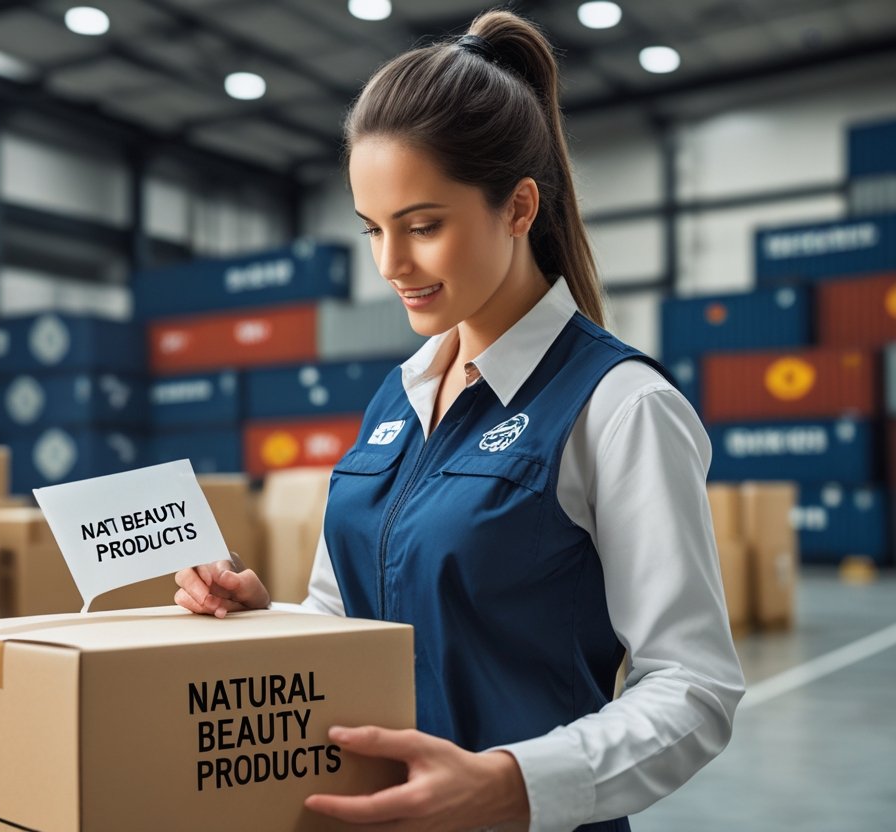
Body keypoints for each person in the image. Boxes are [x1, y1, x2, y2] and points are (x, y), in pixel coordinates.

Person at [174, 9, 744, 832]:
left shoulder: (620, 407)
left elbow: (695, 688)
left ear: (518, 208)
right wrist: (265, 618)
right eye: (373, 229)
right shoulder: (396, 398)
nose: (390, 265)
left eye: (423, 226)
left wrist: (513, 784)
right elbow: (351, 621)